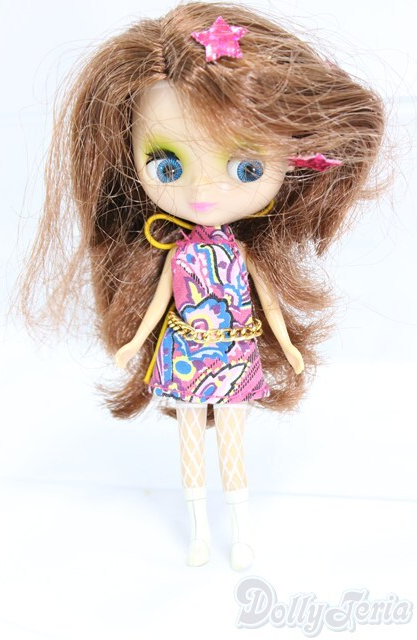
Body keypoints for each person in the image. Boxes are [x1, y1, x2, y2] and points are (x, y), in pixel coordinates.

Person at [19, 2, 385, 570]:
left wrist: (288, 347)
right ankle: (198, 530)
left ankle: (239, 529)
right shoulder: (178, 252)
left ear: (294, 160)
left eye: (245, 167)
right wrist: (133, 342)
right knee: (190, 441)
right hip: (185, 352)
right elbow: (160, 302)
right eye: (168, 166)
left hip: (233, 351)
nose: (202, 193)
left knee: (232, 439)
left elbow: (266, 302)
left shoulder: (237, 253)